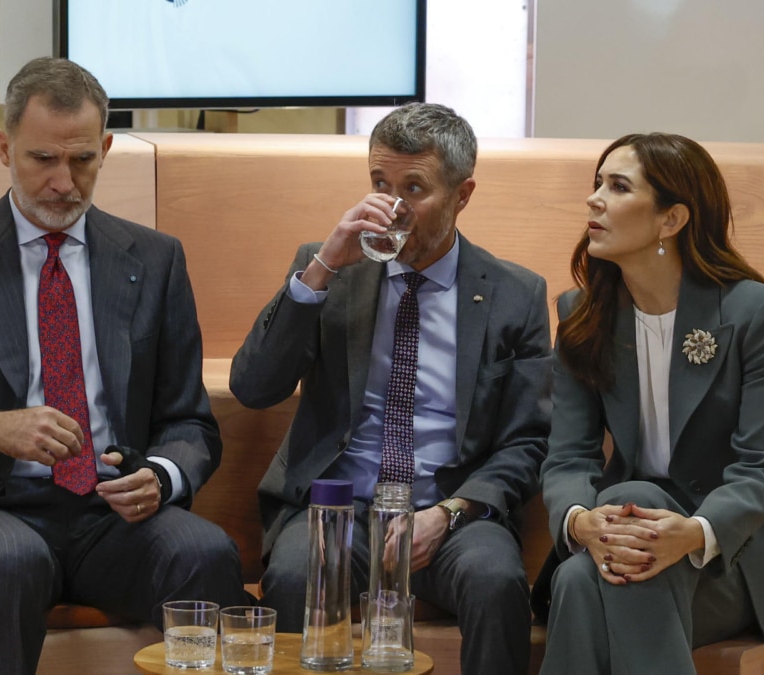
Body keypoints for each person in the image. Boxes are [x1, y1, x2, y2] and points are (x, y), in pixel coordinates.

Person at [0, 57, 248, 675]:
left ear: (106, 148)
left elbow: (190, 422)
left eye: (82, 159)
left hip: (110, 511)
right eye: (43, 159)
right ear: (4, 148)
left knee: (205, 552)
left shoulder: (154, 260)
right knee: (11, 561)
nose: (64, 182)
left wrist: (162, 476)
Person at [230, 102, 552, 675]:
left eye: (415, 188)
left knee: (496, 581)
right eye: (380, 183)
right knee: (294, 574)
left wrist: (450, 513)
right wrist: (323, 267)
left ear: (462, 194)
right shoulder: (329, 268)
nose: (393, 207)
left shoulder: (514, 294)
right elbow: (253, 386)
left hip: (449, 512)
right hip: (339, 508)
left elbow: (527, 442)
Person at [536, 132, 764, 674]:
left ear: (671, 220)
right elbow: (568, 458)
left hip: (734, 555)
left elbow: (763, 468)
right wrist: (581, 520)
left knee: (583, 582)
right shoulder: (583, 312)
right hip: (631, 539)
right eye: (596, 183)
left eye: (618, 186)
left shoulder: (752, 312)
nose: (594, 199)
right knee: (590, 572)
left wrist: (693, 534)